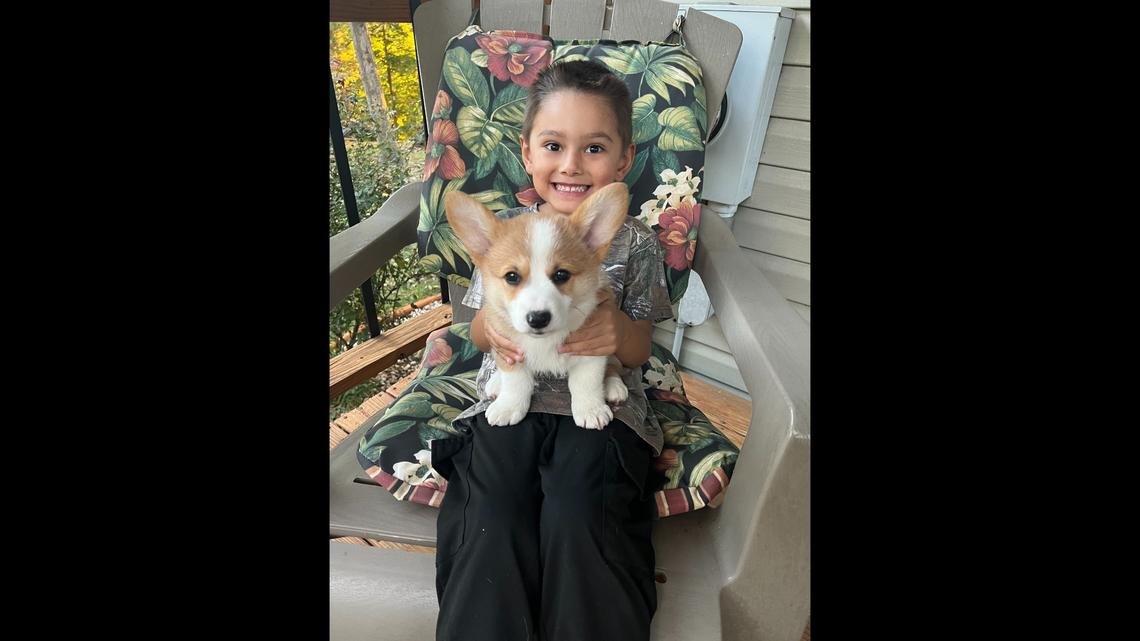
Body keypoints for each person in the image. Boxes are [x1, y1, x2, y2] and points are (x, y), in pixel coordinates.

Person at [431, 59, 673, 641]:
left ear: (623, 158)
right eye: (553, 145)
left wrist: (615, 332)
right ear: (527, 151)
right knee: (490, 510)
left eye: (593, 147)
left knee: (581, 509)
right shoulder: (502, 234)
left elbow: (639, 346)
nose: (570, 164)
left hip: (597, 408)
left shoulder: (631, 242)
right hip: (512, 399)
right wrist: (498, 332)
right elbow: (479, 329)